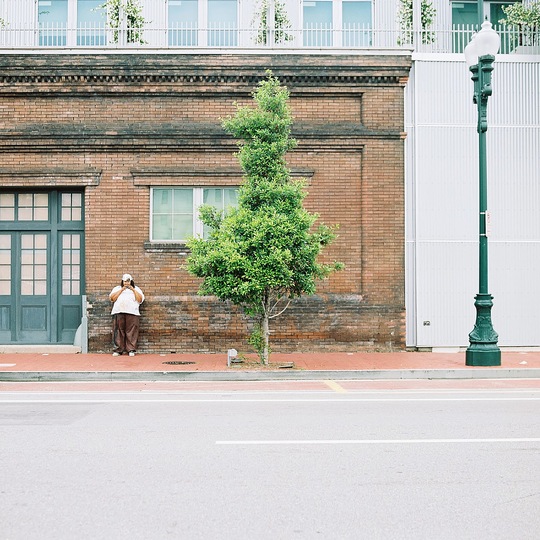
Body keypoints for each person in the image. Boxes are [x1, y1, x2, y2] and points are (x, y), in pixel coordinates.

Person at [109, 273, 145, 357]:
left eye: (128, 281)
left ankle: (131, 349)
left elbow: (140, 300)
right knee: (118, 330)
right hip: (119, 311)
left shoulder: (136, 289)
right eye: (125, 281)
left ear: (131, 281)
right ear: (122, 281)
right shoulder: (117, 288)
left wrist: (133, 290)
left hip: (132, 312)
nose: (126, 283)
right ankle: (118, 350)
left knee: (132, 331)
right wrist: (122, 290)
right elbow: (112, 298)